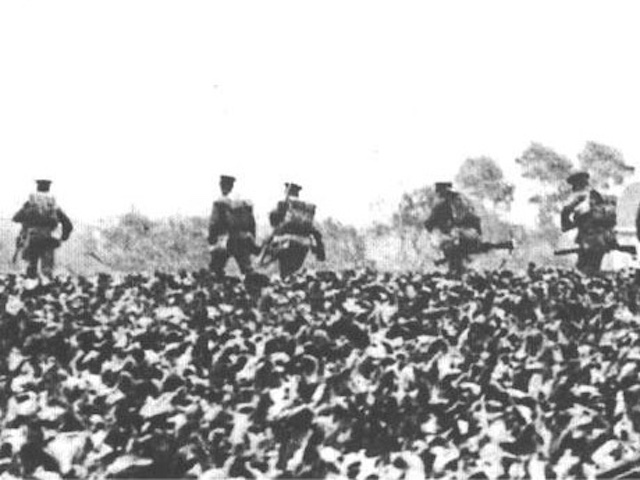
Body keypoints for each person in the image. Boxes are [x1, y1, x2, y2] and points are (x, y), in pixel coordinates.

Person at [424, 182, 512, 276]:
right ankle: (456, 268)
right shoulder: (441, 207)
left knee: (458, 240)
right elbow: (429, 224)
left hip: (467, 234)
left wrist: (457, 229)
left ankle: (458, 268)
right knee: (452, 243)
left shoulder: (462, 202)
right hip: (453, 237)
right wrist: (443, 231)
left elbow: (472, 221)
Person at [261, 182, 326, 278]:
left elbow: (274, 221)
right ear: (297, 193)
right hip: (304, 245)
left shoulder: (283, 204)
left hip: (285, 242)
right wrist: (319, 250)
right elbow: (315, 232)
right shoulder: (304, 210)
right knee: (292, 270)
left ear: (287, 191)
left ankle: (261, 263)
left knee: (268, 247)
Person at [12, 179, 73, 278]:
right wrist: (63, 237)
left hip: (32, 238)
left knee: (31, 268)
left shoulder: (30, 203)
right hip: (49, 239)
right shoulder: (53, 206)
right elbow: (68, 225)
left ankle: (31, 288)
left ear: (37, 187)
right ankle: (47, 288)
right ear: (48, 188)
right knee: (47, 270)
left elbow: (16, 218)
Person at [561, 171, 617, 275]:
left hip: (589, 240)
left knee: (585, 270)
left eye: (574, 185)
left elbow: (567, 223)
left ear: (577, 184)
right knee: (589, 268)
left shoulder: (582, 198)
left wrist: (567, 212)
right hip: (600, 239)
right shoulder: (596, 195)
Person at [208, 175, 259, 278]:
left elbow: (214, 222)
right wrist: (252, 239)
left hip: (225, 240)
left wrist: (211, 238)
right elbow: (252, 223)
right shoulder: (244, 202)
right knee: (248, 270)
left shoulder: (220, 202)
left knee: (215, 270)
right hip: (243, 239)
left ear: (222, 185)